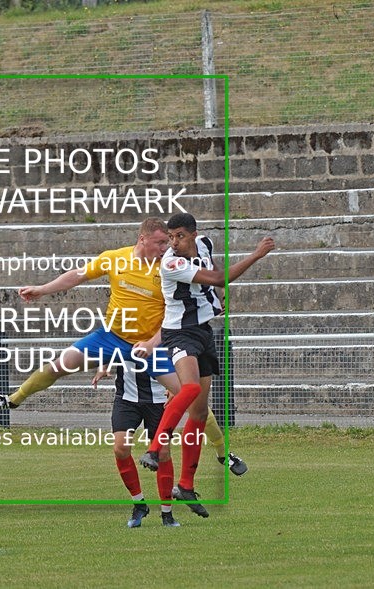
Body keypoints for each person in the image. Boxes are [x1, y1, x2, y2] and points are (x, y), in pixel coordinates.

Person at [139, 213, 273, 516]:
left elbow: (213, 274)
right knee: (187, 389)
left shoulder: (204, 242)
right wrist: (256, 255)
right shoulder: (171, 263)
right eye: (170, 237)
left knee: (199, 412)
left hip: (203, 332)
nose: (174, 243)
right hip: (179, 333)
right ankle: (155, 448)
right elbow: (217, 278)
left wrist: (218, 297)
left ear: (193, 234)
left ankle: (185, 485)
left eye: (179, 236)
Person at [0, 217, 175, 412]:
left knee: (188, 395)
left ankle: (208, 439)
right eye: (160, 242)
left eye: (166, 243)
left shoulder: (168, 269)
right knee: (60, 365)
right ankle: (13, 399)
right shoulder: (115, 258)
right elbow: (78, 275)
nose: (164, 248)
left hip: (149, 345)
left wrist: (152, 344)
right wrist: (42, 289)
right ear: (142, 239)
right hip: (112, 337)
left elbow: (174, 315)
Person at [93, 362, 180, 528]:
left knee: (162, 453)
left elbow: (177, 352)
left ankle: (167, 513)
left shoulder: (163, 335)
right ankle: (139, 505)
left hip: (160, 399)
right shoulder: (124, 334)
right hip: (127, 397)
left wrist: (175, 383)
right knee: (121, 448)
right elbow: (110, 343)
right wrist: (103, 365)